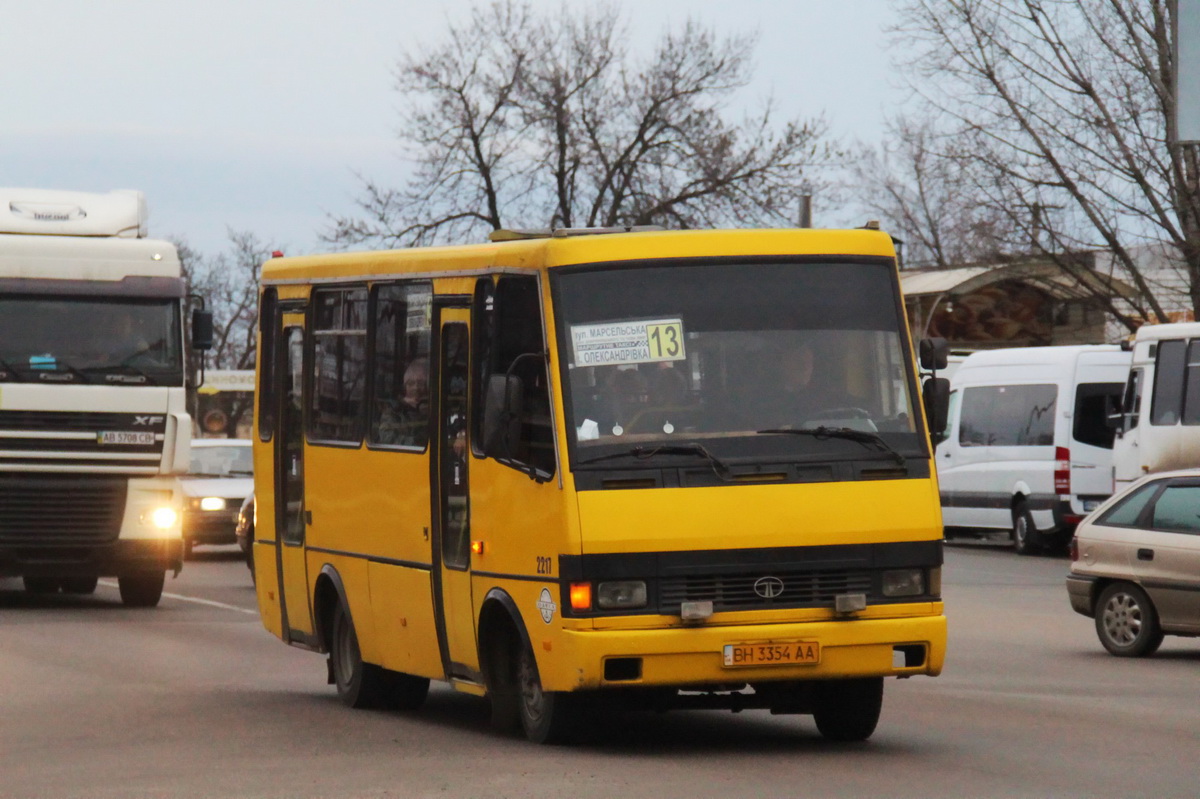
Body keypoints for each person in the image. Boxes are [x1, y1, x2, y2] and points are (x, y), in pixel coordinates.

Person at [377, 357, 430, 446]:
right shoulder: (394, 411)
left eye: (420, 383)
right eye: (411, 383)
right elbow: (387, 438)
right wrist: (416, 442)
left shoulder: (434, 408)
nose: (416, 388)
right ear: (405, 387)